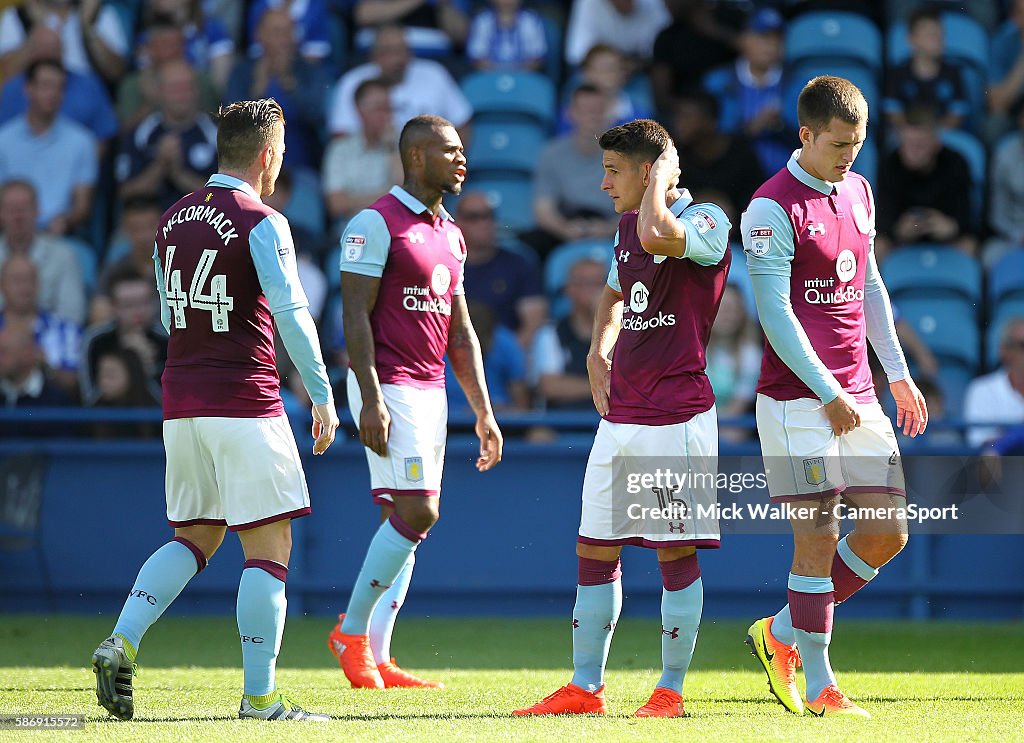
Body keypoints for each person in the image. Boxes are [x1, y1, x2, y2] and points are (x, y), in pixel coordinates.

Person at [90, 98, 339, 722]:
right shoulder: (261, 220)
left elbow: (171, 315)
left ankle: (121, 638)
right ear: (268, 155)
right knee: (269, 543)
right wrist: (322, 393)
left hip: (181, 398)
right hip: (244, 396)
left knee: (196, 534)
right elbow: (291, 315)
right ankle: (260, 699)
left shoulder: (171, 218)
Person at [514, 119, 731, 718]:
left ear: (649, 170)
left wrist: (661, 177)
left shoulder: (707, 221)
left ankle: (670, 690)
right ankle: (585, 687)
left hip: (676, 417)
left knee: (673, 556)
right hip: (622, 415)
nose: (603, 183)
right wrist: (597, 349)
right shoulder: (625, 228)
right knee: (594, 548)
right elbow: (614, 291)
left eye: (614, 170)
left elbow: (663, 237)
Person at [740, 75, 928, 719]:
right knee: (816, 533)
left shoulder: (860, 191)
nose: (850, 154)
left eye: (859, 142)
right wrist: (826, 391)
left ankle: (780, 633)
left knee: (888, 532)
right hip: (798, 400)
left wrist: (895, 372)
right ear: (806, 135)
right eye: (839, 143)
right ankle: (821, 683)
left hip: (858, 392)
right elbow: (775, 315)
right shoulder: (769, 209)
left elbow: (868, 284)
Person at [327, 114, 503, 690]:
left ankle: (378, 656)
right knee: (418, 510)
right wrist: (370, 395)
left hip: (431, 390)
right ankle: (350, 633)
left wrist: (483, 410)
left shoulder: (450, 234)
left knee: (405, 519)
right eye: (451, 152)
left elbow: (461, 332)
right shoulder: (376, 223)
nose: (462, 161)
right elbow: (353, 313)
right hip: (388, 385)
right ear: (418, 157)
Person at [0, 59, 97, 236]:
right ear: (27, 88)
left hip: (61, 235)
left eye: (59, 87)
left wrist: (66, 221)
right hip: (8, 235)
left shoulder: (82, 141)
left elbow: (82, 205)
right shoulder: (3, 140)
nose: (53, 94)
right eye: (46, 86)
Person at [525, 84, 620, 258]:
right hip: (565, 224)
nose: (593, 116)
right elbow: (543, 209)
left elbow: (636, 209)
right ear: (570, 114)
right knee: (533, 244)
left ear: (610, 113)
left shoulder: (626, 155)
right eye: (586, 110)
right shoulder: (551, 153)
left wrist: (607, 229)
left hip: (612, 227)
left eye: (599, 110)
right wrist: (564, 229)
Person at [327, 26, 472, 138]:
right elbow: (341, 135)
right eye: (388, 51)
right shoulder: (353, 81)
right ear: (373, 56)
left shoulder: (434, 74)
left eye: (401, 51)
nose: (397, 59)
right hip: (370, 167)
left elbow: (461, 123)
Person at [116, 59, 219, 211]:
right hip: (149, 227)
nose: (181, 95)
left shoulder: (219, 134)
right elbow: (125, 193)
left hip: (204, 222)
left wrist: (179, 175)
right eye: (174, 88)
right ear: (159, 92)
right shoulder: (140, 133)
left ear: (197, 90)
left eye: (186, 87)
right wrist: (160, 166)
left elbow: (222, 198)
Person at [875, 104, 975, 256]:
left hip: (946, 235)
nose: (912, 152)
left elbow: (967, 216)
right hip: (902, 237)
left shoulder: (956, 163)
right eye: (907, 144)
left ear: (936, 143)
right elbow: (884, 219)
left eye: (919, 145)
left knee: (969, 246)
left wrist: (952, 227)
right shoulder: (890, 164)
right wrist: (898, 229)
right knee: (878, 246)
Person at [703, 7, 788, 176]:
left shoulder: (798, 83)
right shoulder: (718, 82)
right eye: (762, 37)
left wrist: (783, 126)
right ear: (742, 40)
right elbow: (710, 138)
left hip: (786, 180)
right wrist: (751, 129)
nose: (771, 45)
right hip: (733, 181)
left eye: (777, 38)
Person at [457, 191, 547, 349]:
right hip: (450, 356)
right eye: (473, 216)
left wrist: (504, 358)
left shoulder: (518, 263)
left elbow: (534, 322)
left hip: (502, 357)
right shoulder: (444, 264)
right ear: (457, 222)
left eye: (488, 215)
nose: (483, 222)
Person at [0, 179, 86, 325]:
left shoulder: (63, 255)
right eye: (11, 209)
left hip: (50, 341)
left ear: (37, 210)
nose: (18, 216)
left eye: (24, 208)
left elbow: (72, 316)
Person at [322, 77, 401, 229]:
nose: (384, 115)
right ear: (359, 110)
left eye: (388, 108)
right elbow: (336, 204)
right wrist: (389, 198)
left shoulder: (403, 143)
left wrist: (391, 148)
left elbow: (406, 195)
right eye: (378, 108)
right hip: (353, 232)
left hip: (396, 231)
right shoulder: (340, 149)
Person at [530, 256, 607, 410]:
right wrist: (605, 387)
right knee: (540, 434)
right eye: (587, 284)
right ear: (569, 289)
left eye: (600, 284)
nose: (595, 291)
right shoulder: (551, 333)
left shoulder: (623, 332)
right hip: (565, 421)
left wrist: (602, 318)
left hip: (612, 420)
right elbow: (550, 386)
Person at [80, 268, 167, 404]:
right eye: (129, 305)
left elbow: (169, 403)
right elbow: (89, 400)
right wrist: (125, 365)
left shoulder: (166, 340)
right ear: (113, 307)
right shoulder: (96, 341)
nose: (138, 312)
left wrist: (145, 369)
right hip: (107, 421)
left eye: (144, 302)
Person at [0, 254, 80, 397]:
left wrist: (44, 365)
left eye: (30, 280)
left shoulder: (66, 330)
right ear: (2, 285)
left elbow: (75, 385)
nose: (24, 287)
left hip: (48, 411)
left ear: (38, 285)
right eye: (17, 280)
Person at [883, 5, 969, 131]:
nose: (938, 40)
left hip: (942, 137)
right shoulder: (897, 73)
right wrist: (916, 134)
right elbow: (893, 114)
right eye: (930, 35)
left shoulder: (953, 72)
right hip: (907, 137)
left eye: (940, 35)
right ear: (911, 39)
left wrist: (931, 136)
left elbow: (957, 114)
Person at [964, 317, 1024, 448]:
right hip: (1002, 468)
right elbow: (980, 444)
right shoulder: (982, 390)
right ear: (1005, 350)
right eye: (1023, 345)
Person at [466, 0, 548, 72]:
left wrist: (512, 74)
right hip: (488, 78)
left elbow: (536, 60)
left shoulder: (531, 21)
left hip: (524, 78)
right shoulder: (482, 21)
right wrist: (501, 74)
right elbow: (477, 59)